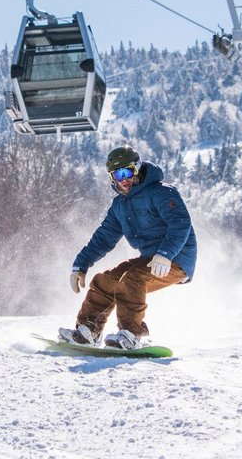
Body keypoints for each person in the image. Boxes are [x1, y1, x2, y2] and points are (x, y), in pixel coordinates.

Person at [58, 145, 197, 349]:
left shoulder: (162, 193)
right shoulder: (119, 206)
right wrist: (81, 265)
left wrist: (166, 254)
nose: (123, 179)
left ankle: (131, 334)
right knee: (105, 281)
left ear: (137, 169)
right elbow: (103, 238)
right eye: (117, 174)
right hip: (150, 259)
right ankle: (89, 331)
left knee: (132, 279)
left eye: (128, 172)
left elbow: (180, 223)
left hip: (177, 259)